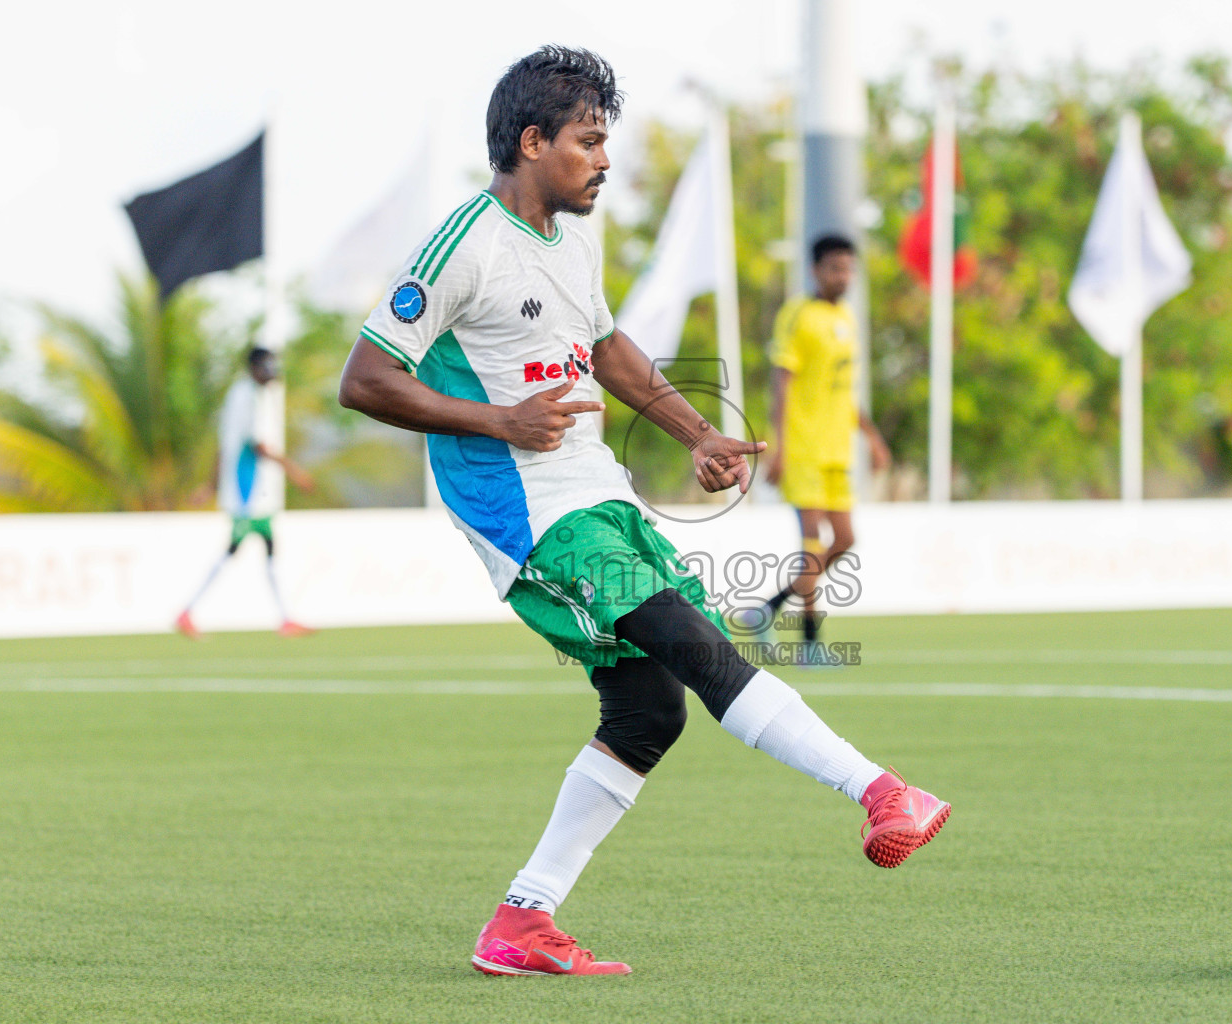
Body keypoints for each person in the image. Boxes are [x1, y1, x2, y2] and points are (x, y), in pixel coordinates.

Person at [337, 45, 947, 978]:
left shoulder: (575, 232)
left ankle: (521, 923)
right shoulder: (463, 244)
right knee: (695, 645)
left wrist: (694, 430)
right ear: (534, 142)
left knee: (649, 709)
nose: (605, 160)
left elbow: (608, 344)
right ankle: (879, 790)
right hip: (529, 512)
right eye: (589, 142)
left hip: (596, 493)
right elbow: (367, 378)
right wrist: (498, 418)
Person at [759, 235, 891, 654]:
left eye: (848, 268)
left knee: (845, 539)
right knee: (812, 544)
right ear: (816, 270)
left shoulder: (847, 319)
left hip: (837, 449)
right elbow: (782, 381)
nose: (843, 276)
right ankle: (810, 643)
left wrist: (871, 437)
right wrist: (778, 445)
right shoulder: (798, 314)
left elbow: (844, 391)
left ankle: (768, 608)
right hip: (804, 448)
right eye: (835, 268)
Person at [177, 346, 315, 639]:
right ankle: (188, 611)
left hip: (247, 489)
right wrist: (294, 471)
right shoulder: (247, 397)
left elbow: (224, 444)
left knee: (264, 549)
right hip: (246, 489)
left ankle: (285, 617)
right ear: (255, 367)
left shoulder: (240, 395)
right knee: (239, 550)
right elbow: (256, 445)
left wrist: (211, 485)